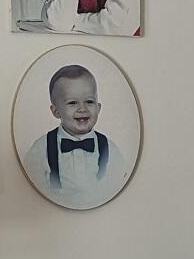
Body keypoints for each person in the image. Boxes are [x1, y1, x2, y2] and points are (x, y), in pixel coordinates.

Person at [22, 63, 123, 208]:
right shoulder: (41, 148)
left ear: (98, 107)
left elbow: (117, 182)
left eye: (89, 101)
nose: (82, 109)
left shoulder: (109, 149)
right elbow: (30, 185)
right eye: (72, 102)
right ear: (56, 111)